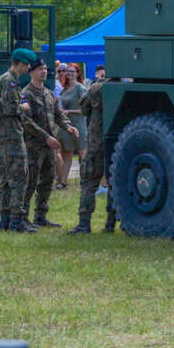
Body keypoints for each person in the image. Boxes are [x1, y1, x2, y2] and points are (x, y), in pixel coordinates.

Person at [21, 57, 78, 229]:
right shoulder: (26, 94)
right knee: (30, 181)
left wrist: (68, 126)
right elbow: (27, 122)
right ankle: (22, 217)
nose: (44, 72)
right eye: (40, 69)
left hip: (49, 146)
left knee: (47, 181)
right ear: (31, 72)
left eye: (45, 69)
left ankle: (41, 216)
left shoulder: (48, 93)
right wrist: (46, 137)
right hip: (34, 145)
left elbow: (58, 114)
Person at [0, 47, 36, 232]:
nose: (28, 68)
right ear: (21, 63)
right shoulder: (10, 81)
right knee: (19, 178)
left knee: (4, 178)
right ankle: (16, 221)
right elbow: (10, 108)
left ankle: (5, 218)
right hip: (11, 135)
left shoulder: (4, 79)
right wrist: (23, 107)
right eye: (27, 64)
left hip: (2, 135)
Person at [69, 72, 117, 234]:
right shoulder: (125, 88)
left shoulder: (97, 88)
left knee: (88, 183)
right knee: (114, 183)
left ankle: (84, 223)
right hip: (116, 142)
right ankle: (110, 224)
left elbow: (84, 109)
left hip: (96, 142)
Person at [57, 65, 87, 189]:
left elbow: (85, 109)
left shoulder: (81, 89)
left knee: (82, 153)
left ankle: (85, 181)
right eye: (68, 71)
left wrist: (70, 111)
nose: (69, 73)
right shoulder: (64, 89)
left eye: (72, 71)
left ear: (77, 73)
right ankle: (63, 182)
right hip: (66, 125)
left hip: (79, 125)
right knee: (67, 153)